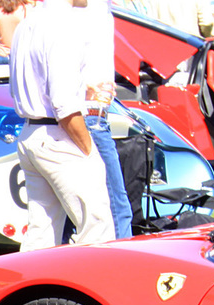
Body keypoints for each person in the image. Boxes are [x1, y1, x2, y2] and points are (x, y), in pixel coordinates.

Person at [10, 0, 113, 249]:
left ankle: (33, 288)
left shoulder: (28, 23)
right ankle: (88, 287)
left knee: (41, 234)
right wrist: (89, 151)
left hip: (32, 131)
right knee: (97, 231)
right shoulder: (63, 25)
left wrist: (82, 89)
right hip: (57, 136)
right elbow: (64, 106)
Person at [82, 0, 131, 237]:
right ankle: (125, 261)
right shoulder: (86, 9)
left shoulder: (100, 8)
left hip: (93, 111)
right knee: (117, 205)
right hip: (91, 113)